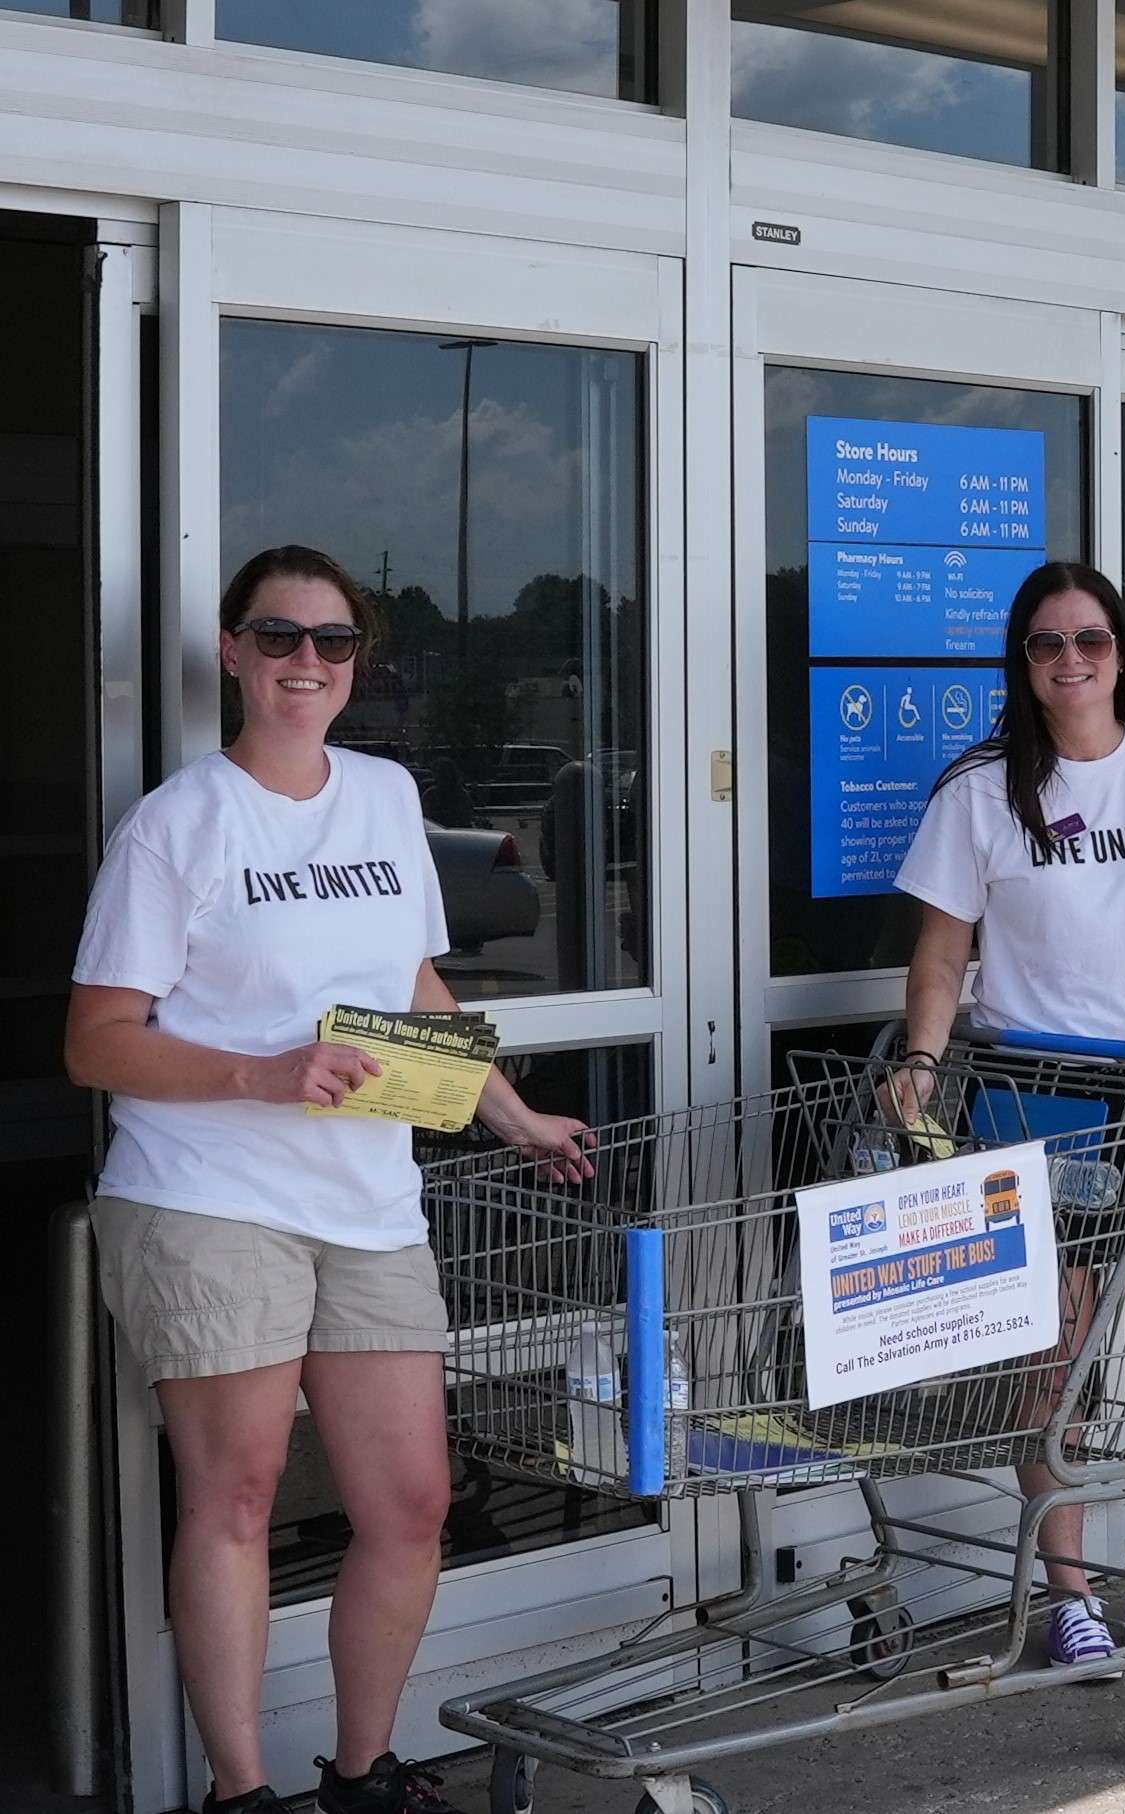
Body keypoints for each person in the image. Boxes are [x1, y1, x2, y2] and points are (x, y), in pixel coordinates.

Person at [65, 545, 591, 1814]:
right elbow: (95, 1038)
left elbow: (412, 984)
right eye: (279, 636)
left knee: (408, 1501)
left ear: (360, 661)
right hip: (208, 1193)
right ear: (234, 653)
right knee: (238, 1496)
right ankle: (239, 1792)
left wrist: (508, 1111)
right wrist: (260, 1071)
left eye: (334, 641)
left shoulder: (382, 795)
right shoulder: (178, 824)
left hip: (364, 1200)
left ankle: (362, 1774)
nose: (308, 661)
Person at [893, 560, 1125, 1675]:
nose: (1070, 660)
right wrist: (920, 1057)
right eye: (1047, 643)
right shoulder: (978, 791)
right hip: (1031, 1095)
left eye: (1089, 641)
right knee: (1047, 1370)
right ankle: (1066, 1597)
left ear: (1120, 655)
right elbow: (941, 952)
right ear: (1022, 661)